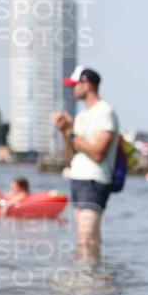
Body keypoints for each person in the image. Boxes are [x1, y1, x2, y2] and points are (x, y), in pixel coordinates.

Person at [51, 66, 119, 256]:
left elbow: (98, 153)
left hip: (94, 181)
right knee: (90, 239)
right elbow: (71, 155)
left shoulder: (104, 112)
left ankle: (86, 283)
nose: (72, 89)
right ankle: (93, 280)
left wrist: (72, 134)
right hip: (78, 179)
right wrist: (64, 131)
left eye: (75, 85)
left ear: (86, 84)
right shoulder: (81, 116)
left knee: (85, 240)